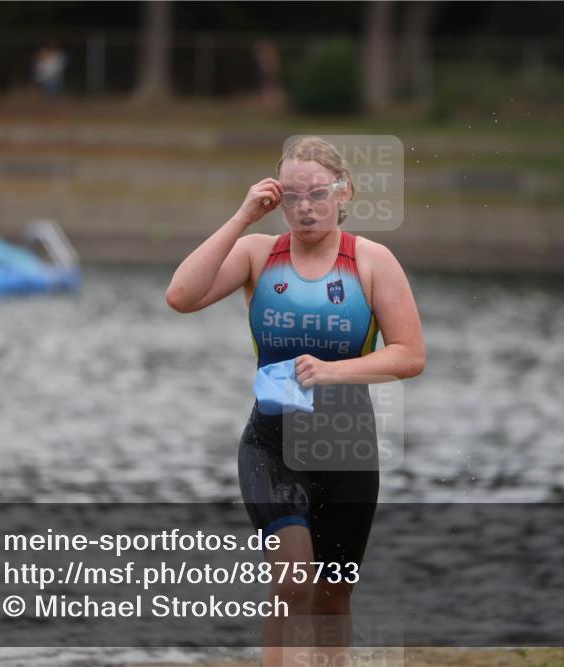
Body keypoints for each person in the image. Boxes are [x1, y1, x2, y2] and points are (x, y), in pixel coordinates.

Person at [166, 136, 424, 665]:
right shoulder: (259, 253)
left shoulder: (371, 262)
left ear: (344, 190)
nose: (304, 207)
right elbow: (181, 297)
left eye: (317, 194)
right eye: (290, 196)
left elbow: (410, 355)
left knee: (333, 597)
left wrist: (334, 371)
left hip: (348, 449)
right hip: (271, 444)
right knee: (293, 582)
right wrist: (241, 217)